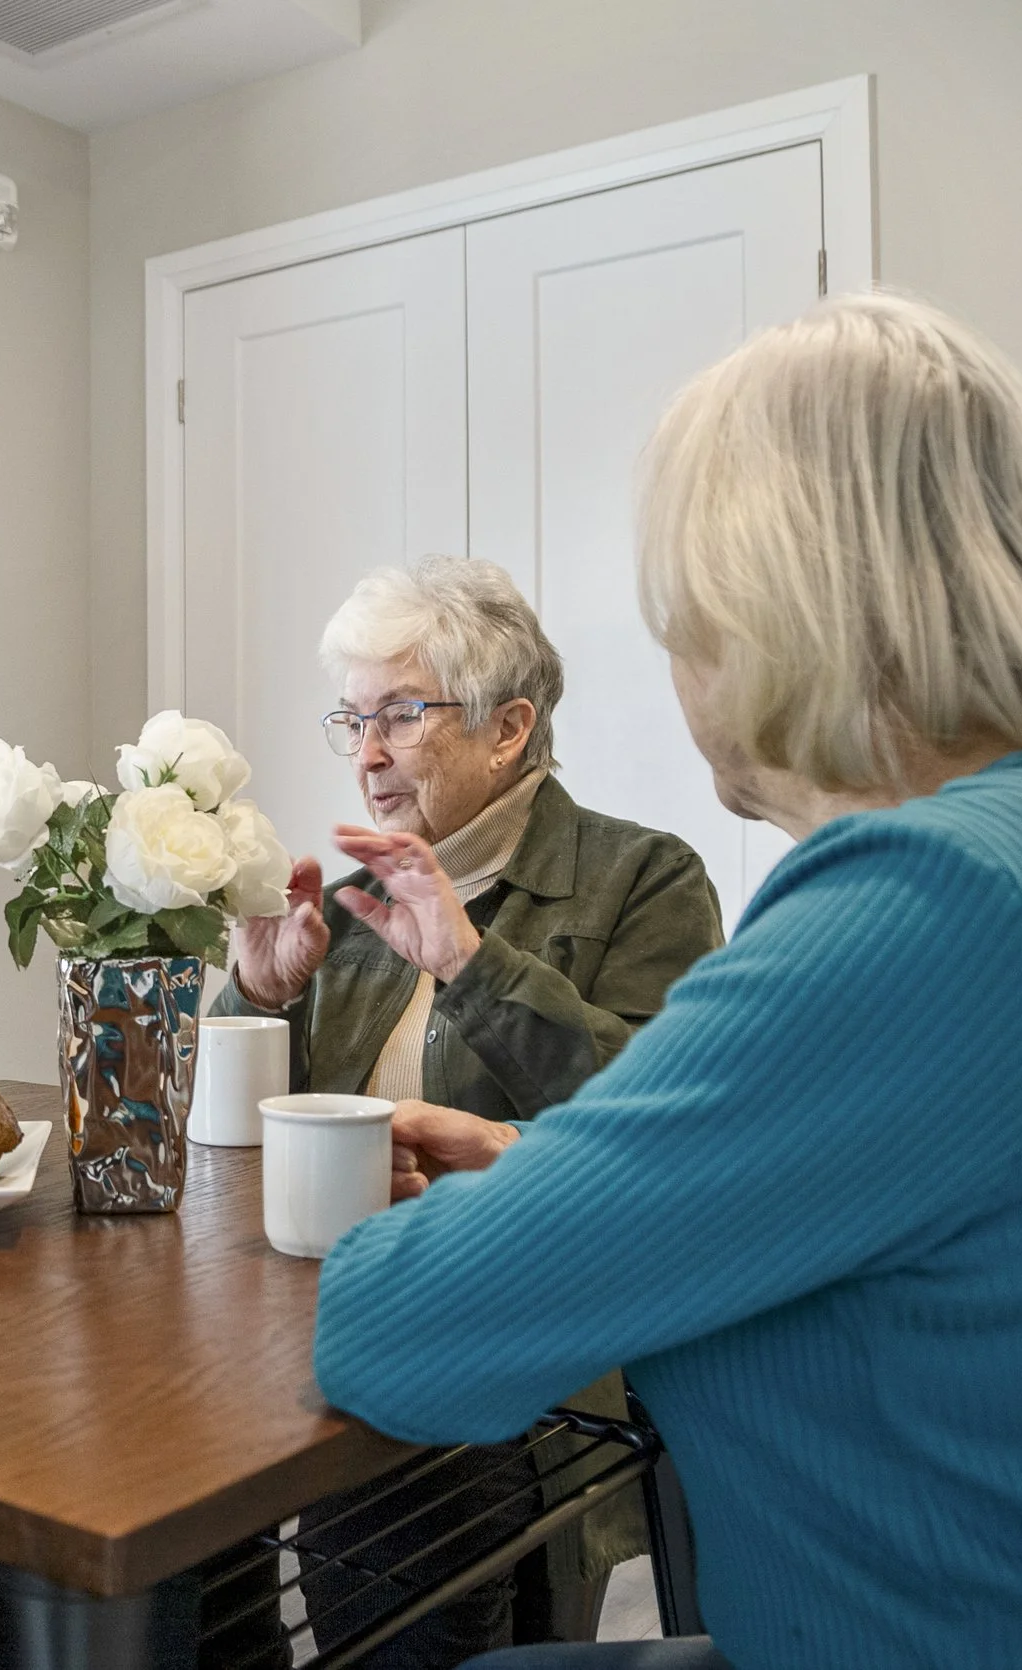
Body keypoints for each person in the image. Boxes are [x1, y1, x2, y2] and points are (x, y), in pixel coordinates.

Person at [316, 293, 1022, 1669]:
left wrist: (548, 1184)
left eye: (682, 620)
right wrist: (543, 1153)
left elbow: (396, 1330)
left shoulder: (924, 902)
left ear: (773, 610)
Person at [215, 556, 723, 1656]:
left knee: (410, 1557)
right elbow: (247, 1144)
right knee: (160, 1512)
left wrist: (471, 960)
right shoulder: (349, 897)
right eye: (351, 716)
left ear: (508, 727)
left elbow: (662, 1125)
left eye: (401, 711)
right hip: (315, 1318)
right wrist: (252, 994)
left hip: (516, 1344)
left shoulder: (645, 876)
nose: (366, 751)